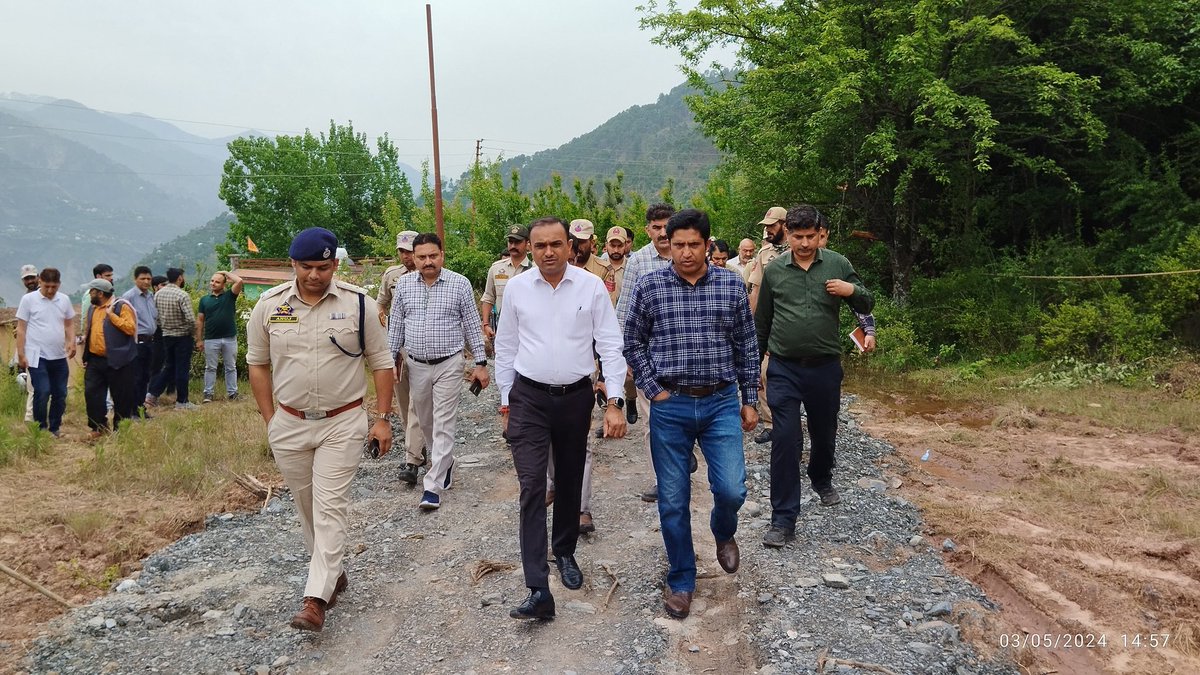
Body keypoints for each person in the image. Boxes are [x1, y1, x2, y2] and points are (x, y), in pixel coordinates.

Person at [246, 227, 395, 632]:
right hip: (289, 424)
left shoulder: (359, 305)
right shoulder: (268, 306)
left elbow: (382, 363)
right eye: (307, 266)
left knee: (330, 507)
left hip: (343, 421)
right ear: (292, 264)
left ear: (335, 264)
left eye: (323, 267)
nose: (315, 275)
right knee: (308, 507)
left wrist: (382, 418)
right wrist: (270, 419)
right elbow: (256, 363)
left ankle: (315, 598)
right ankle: (333, 572)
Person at [623, 209, 759, 619]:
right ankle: (681, 578)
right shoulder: (651, 286)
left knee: (732, 488)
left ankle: (724, 531)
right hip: (672, 404)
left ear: (707, 244)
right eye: (677, 245)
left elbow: (746, 345)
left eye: (693, 245)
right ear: (668, 244)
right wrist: (653, 389)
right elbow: (632, 342)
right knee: (672, 499)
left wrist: (749, 398)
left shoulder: (731, 287)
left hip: (720, 402)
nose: (685, 253)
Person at [495, 216, 627, 621]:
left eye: (556, 244)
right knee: (533, 486)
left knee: (569, 480)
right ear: (530, 250)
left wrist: (616, 400)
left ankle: (565, 552)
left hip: (575, 398)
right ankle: (538, 588)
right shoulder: (517, 288)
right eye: (540, 246)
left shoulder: (590, 287)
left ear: (570, 247)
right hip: (529, 398)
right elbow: (506, 346)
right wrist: (506, 402)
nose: (549, 252)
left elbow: (609, 341)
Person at [755, 205, 874, 548]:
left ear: (820, 233)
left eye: (810, 237)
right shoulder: (775, 271)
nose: (804, 243)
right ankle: (783, 519)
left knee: (824, 432)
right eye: (797, 237)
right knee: (786, 438)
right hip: (784, 368)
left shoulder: (837, 264)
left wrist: (850, 291)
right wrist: (753, 373)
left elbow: (867, 303)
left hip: (824, 367)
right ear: (787, 234)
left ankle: (821, 477)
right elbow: (762, 322)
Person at [386, 233, 489, 511]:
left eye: (433, 256)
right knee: (426, 420)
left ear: (442, 255)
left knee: (444, 422)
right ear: (414, 258)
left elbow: (470, 323)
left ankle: (432, 486)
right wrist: (390, 358)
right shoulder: (404, 286)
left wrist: (480, 362)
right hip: (416, 364)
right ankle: (446, 463)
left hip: (450, 363)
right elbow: (395, 325)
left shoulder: (459, 284)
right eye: (422, 257)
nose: (428, 262)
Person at [615, 203, 676, 502]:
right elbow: (624, 310)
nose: (663, 233)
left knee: (682, 417)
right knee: (654, 421)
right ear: (647, 230)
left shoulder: (689, 254)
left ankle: (681, 461)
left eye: (667, 226)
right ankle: (661, 479)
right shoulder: (638, 261)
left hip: (686, 357)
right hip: (649, 357)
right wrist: (621, 356)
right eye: (656, 227)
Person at [376, 230, 426, 486]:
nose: (406, 256)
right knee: (403, 399)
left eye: (410, 251)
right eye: (402, 252)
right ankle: (418, 444)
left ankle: (412, 459)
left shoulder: (429, 272)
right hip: (396, 348)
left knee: (416, 402)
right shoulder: (391, 276)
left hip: (421, 348)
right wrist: (381, 318)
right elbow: (380, 303)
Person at [745, 207, 789, 445]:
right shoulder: (764, 253)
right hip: (767, 323)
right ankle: (771, 423)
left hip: (790, 322)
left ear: (784, 224)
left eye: (772, 225)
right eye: (766, 225)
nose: (767, 229)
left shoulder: (799, 249)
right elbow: (756, 290)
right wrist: (750, 324)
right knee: (762, 372)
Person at [15, 268, 75, 436]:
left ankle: (54, 428)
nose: (50, 290)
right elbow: (21, 329)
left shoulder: (64, 300)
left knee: (60, 393)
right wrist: (21, 353)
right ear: (40, 281)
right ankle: (41, 428)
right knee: (42, 391)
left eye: (54, 287)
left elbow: (69, 323)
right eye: (47, 286)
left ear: (59, 285)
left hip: (58, 355)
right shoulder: (28, 300)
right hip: (36, 355)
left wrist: (71, 342)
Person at [80, 279, 137, 437]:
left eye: (92, 291)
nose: (89, 294)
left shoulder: (121, 306)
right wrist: (86, 355)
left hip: (118, 359)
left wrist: (111, 316)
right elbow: (89, 331)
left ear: (100, 293)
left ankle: (121, 430)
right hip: (95, 360)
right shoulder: (93, 309)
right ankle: (98, 427)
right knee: (92, 394)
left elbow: (131, 328)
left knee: (121, 396)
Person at [817, 224, 877, 352]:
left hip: (825, 347)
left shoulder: (837, 263)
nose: (816, 242)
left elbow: (859, 301)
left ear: (828, 234)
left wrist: (869, 330)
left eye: (821, 237)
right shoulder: (780, 262)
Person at [146, 268, 196, 410]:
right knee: (182, 368)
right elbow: (191, 319)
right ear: (180, 278)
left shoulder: (158, 294)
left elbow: (156, 317)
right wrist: (192, 333)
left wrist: (165, 328)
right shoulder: (182, 295)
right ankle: (182, 401)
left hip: (166, 336)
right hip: (182, 336)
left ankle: (151, 394)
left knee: (169, 366)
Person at [480, 224, 533, 343]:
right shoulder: (496, 268)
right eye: (510, 241)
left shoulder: (535, 270)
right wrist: (486, 324)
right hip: (503, 331)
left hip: (529, 331)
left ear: (527, 244)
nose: (513, 245)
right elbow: (488, 297)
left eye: (517, 242)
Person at [197, 270, 244, 403]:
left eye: (217, 281)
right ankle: (208, 394)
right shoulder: (204, 300)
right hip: (211, 338)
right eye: (212, 281)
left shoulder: (230, 296)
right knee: (210, 367)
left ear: (224, 284)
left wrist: (225, 272)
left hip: (229, 337)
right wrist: (199, 339)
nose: (213, 283)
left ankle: (232, 393)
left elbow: (239, 281)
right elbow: (200, 320)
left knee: (231, 367)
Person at [121, 266, 158, 418]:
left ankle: (140, 408)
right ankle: (132, 410)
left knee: (145, 377)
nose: (146, 281)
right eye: (143, 278)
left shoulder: (150, 296)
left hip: (150, 342)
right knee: (135, 377)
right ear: (135, 279)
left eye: (149, 279)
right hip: (136, 342)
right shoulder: (129, 297)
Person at [14, 265, 41, 423]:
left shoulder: (42, 294)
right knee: (33, 385)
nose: (30, 281)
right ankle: (31, 419)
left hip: (43, 347)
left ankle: (35, 418)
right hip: (31, 347)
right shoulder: (27, 297)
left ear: (38, 276)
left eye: (32, 277)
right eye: (27, 279)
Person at [569, 219, 616, 300]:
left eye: (581, 242)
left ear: (592, 243)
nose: (577, 246)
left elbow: (608, 304)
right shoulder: (561, 266)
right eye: (574, 241)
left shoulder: (604, 270)